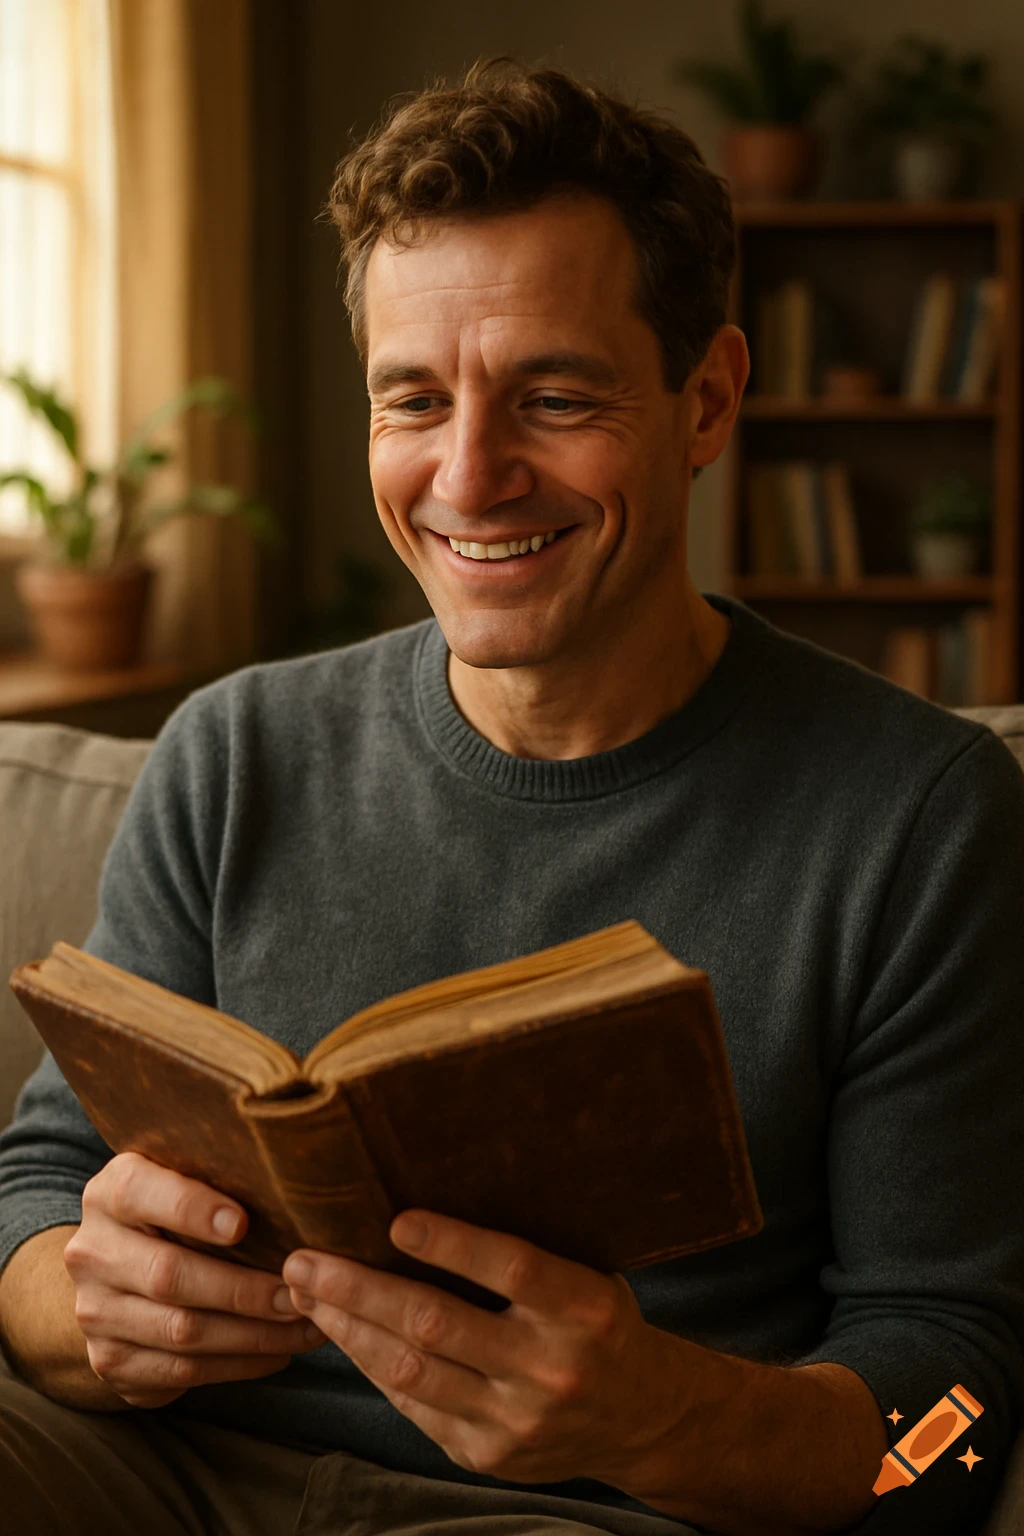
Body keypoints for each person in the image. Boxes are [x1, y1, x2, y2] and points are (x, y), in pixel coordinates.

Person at [0, 57, 1021, 1536]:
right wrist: (73, 1305)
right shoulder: (229, 754)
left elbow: (964, 1426)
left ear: (708, 398)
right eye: (412, 399)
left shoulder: (921, 818)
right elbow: (36, 1187)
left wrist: (667, 1415)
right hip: (155, 1474)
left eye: (553, 395)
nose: (468, 476)